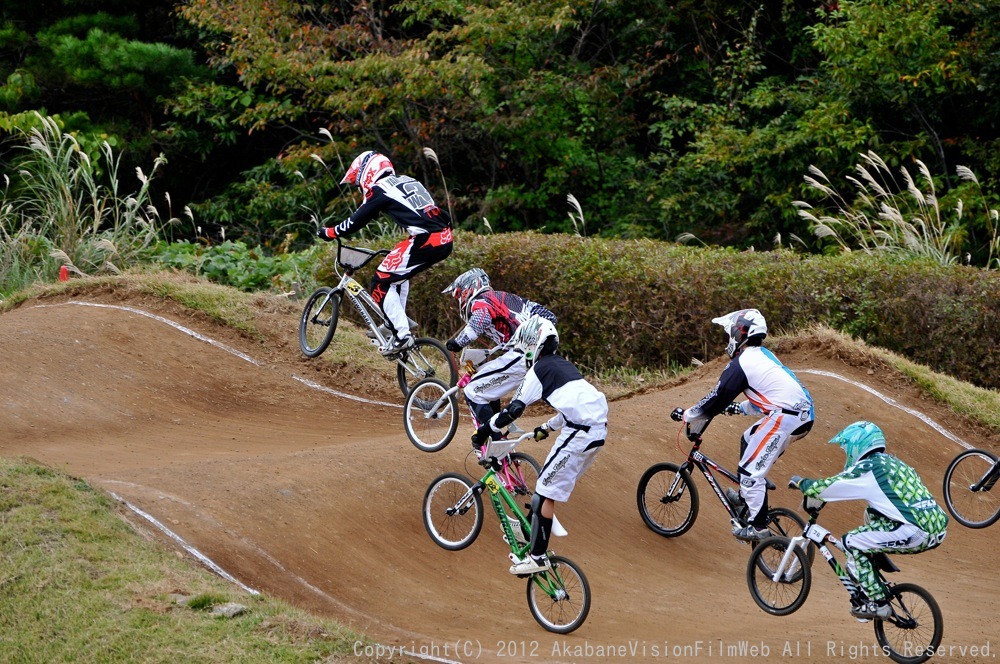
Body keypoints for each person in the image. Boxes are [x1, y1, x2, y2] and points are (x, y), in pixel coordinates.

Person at [471, 315, 608, 575]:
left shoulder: (539, 369)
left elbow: (514, 410)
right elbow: (573, 404)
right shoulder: (564, 366)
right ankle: (528, 533)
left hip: (580, 433)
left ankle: (538, 556)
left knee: (544, 489)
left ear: (532, 345)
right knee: (546, 489)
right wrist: (546, 428)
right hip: (597, 431)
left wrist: (484, 431)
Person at [790, 421, 948, 620]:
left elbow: (831, 485)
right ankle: (871, 561)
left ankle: (878, 603)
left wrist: (802, 483)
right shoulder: (893, 463)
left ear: (858, 445)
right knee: (871, 512)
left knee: (851, 541)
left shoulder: (869, 467)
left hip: (915, 530)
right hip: (937, 527)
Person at [681, 308, 814, 541]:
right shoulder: (764, 355)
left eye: (730, 333)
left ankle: (758, 526)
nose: (728, 339)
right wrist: (740, 408)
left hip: (786, 417)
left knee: (750, 472)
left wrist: (688, 414)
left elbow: (716, 397)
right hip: (800, 414)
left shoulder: (741, 363)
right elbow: (771, 394)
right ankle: (746, 495)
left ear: (739, 334)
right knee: (748, 438)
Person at [318, 151, 453, 356]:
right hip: (444, 237)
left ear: (367, 172)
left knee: (379, 283)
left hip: (425, 240)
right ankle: (395, 322)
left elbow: (356, 221)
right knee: (397, 273)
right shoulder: (409, 180)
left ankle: (401, 334)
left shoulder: (380, 189)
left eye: (357, 180)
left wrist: (330, 232)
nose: (359, 185)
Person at [441, 268, 557, 438]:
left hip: (522, 353)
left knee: (472, 390)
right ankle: (499, 432)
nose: (460, 299)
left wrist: (458, 342)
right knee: (485, 379)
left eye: (460, 294)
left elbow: (482, 319)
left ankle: (494, 439)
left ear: (470, 288)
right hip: (540, 354)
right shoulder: (510, 299)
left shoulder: (482, 300)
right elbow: (550, 317)